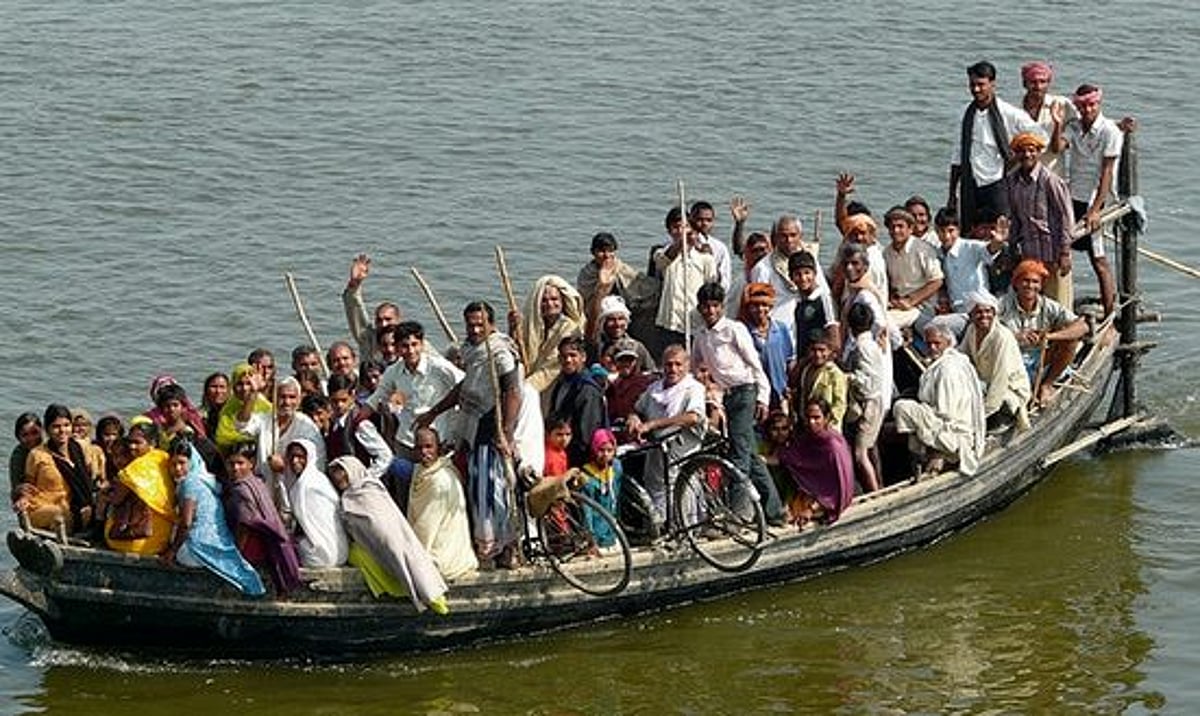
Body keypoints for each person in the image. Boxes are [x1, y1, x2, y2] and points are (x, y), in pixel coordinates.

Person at [417, 301, 542, 567]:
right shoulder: (473, 351)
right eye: (470, 324)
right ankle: (492, 547)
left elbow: (513, 392)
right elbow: (467, 386)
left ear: (491, 325)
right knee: (479, 490)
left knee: (493, 492)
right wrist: (434, 412)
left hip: (491, 429)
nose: (474, 329)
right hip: (475, 429)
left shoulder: (499, 352)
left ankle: (502, 549)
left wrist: (505, 432)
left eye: (480, 324)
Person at [692, 281, 785, 526]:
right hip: (726, 397)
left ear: (722, 307)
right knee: (750, 455)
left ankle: (738, 514)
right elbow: (695, 369)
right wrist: (707, 390)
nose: (710, 311)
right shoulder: (701, 336)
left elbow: (755, 366)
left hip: (745, 392)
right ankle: (775, 511)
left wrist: (763, 398)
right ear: (700, 309)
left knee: (739, 457)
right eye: (705, 307)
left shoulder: (734, 329)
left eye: (714, 306)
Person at [328, 455, 449, 614]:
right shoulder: (357, 494)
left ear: (352, 470)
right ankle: (424, 593)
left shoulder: (369, 489)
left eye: (342, 472)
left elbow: (382, 520)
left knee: (407, 556)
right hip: (375, 542)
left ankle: (430, 595)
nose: (339, 478)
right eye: (335, 475)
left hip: (392, 536)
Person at [160, 437, 266, 596]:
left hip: (195, 549)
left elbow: (186, 523)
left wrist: (172, 552)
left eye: (182, 463)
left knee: (175, 545)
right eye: (173, 464)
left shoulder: (190, 482)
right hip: (219, 543)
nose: (177, 469)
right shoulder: (205, 479)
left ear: (193, 461)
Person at [948, 60, 1044, 232]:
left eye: (981, 85)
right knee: (971, 232)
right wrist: (952, 195)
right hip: (971, 184)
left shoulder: (1008, 113)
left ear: (992, 84)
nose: (976, 89)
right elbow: (957, 155)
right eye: (972, 85)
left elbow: (1039, 135)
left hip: (998, 183)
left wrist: (1020, 157)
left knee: (1001, 233)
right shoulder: (965, 113)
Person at [626, 344, 707, 526]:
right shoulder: (654, 388)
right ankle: (664, 528)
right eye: (669, 365)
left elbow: (693, 417)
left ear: (687, 366)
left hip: (681, 447)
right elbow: (637, 409)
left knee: (682, 489)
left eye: (678, 364)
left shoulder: (693, 388)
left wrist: (653, 424)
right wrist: (634, 419)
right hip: (657, 448)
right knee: (655, 488)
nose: (673, 369)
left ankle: (687, 529)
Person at [892, 323, 987, 476]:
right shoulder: (951, 361)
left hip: (952, 432)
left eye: (937, 343)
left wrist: (939, 452)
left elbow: (946, 414)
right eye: (929, 344)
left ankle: (930, 455)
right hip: (948, 425)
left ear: (948, 343)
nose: (932, 348)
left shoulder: (947, 369)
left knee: (902, 407)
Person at [1061, 83, 1120, 315]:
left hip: (1096, 197)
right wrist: (1057, 124)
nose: (1088, 110)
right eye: (1083, 106)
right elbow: (1058, 146)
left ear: (1099, 104)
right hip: (1073, 193)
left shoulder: (1109, 132)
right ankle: (1063, 304)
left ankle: (1109, 313)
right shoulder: (1074, 127)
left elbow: (1106, 172)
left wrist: (1095, 209)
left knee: (1098, 258)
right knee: (1063, 251)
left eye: (1092, 105)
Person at [998, 259, 1088, 406]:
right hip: (1012, 360)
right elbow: (987, 330)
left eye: (1035, 282)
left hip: (1040, 357)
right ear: (1016, 283)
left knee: (1071, 340)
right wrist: (1014, 337)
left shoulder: (1047, 305)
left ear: (1040, 285)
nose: (1030, 286)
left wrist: (1050, 336)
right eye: (1025, 281)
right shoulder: (1003, 304)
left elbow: (1082, 326)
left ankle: (1047, 384)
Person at [367, 321, 465, 451]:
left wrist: (436, 413)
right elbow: (377, 397)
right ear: (397, 348)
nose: (411, 351)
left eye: (414, 344)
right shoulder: (393, 371)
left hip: (437, 442)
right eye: (405, 346)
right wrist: (356, 420)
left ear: (422, 344)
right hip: (406, 441)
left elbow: (465, 385)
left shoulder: (439, 367)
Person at [223, 441, 303, 595]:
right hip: (270, 541)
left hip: (255, 546)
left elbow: (245, 526)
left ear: (251, 463)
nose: (235, 468)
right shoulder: (257, 482)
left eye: (240, 463)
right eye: (231, 463)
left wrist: (236, 555)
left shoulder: (242, 489)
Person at [1006, 131, 1075, 308]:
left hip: (1053, 251)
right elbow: (1015, 217)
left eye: (1032, 150)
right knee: (1034, 299)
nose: (1027, 155)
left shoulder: (1050, 180)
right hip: (1030, 252)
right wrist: (1013, 247)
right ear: (1016, 153)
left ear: (1038, 152)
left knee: (1058, 300)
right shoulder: (1012, 180)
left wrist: (1065, 252)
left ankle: (1063, 335)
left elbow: (1065, 217)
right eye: (1022, 151)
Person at [408, 427, 477, 580]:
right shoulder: (420, 471)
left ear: (438, 448)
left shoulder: (441, 481)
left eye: (428, 447)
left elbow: (426, 526)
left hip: (444, 554)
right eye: (419, 448)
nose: (424, 452)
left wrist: (412, 553)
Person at [778, 397, 856, 527]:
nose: (811, 422)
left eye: (816, 418)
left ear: (826, 418)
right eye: (808, 417)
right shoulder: (808, 438)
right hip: (809, 495)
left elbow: (836, 487)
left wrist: (812, 509)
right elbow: (792, 456)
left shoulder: (833, 446)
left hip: (828, 502)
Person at [960, 291, 1032, 432]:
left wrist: (984, 413)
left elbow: (1001, 378)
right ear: (972, 315)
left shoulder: (1002, 337)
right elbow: (962, 356)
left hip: (1009, 388)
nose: (984, 316)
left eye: (988, 311)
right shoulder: (972, 330)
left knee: (1003, 401)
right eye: (978, 312)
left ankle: (1003, 419)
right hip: (984, 383)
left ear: (994, 313)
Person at [19, 404, 96, 533]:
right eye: (56, 427)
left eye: (66, 425)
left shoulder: (81, 448)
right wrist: (22, 499)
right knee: (59, 514)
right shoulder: (37, 455)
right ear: (47, 430)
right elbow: (28, 487)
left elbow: (91, 477)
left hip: (75, 507)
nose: (62, 431)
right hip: (44, 508)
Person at [104, 418, 175, 555]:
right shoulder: (164, 457)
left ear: (152, 443)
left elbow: (116, 500)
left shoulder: (133, 469)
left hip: (137, 544)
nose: (132, 447)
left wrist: (104, 495)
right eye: (130, 442)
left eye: (137, 443)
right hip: (163, 538)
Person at [576, 231, 659, 347]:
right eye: (601, 251)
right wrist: (602, 284)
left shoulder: (622, 269)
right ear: (593, 252)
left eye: (610, 251)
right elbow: (583, 300)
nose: (606, 255)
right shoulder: (587, 274)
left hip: (623, 317)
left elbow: (640, 286)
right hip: (595, 319)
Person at [652, 206, 718, 350]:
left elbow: (711, 289)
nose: (683, 232)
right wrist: (680, 243)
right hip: (670, 322)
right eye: (676, 228)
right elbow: (663, 262)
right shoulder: (662, 253)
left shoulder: (705, 259)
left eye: (687, 228)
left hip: (695, 321)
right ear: (670, 231)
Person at [509, 275, 586, 396]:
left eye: (554, 299)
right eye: (544, 300)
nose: (550, 304)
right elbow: (518, 354)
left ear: (562, 301)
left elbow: (553, 366)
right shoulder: (533, 327)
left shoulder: (570, 329)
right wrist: (513, 330)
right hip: (529, 383)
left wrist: (525, 388)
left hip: (553, 387)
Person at [933, 206, 1003, 332]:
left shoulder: (970, 247)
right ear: (936, 231)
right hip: (958, 312)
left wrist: (998, 241)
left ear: (958, 230)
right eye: (941, 231)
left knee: (935, 325)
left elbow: (989, 249)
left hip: (980, 310)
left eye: (951, 231)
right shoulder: (939, 254)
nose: (946, 236)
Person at [284, 438, 348, 568]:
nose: (295, 461)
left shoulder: (307, 483)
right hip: (341, 553)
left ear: (310, 457)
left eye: (300, 456)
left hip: (320, 556)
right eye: (291, 457)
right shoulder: (319, 479)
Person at [841, 303, 885, 493]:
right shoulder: (872, 344)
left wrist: (847, 376)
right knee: (870, 446)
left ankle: (874, 492)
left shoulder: (861, 347)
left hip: (869, 403)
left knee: (860, 453)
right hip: (874, 400)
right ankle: (879, 484)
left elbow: (867, 380)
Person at [547, 336, 607, 468]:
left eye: (573, 355)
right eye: (563, 356)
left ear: (583, 357)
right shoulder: (561, 384)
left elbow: (586, 435)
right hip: (560, 455)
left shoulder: (587, 389)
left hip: (580, 462)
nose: (568, 360)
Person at [882, 206, 944, 330]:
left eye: (900, 226)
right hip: (899, 306)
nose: (895, 230)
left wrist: (911, 300)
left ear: (910, 229)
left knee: (884, 322)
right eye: (892, 227)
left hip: (921, 308)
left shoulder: (923, 249)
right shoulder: (886, 253)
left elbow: (937, 281)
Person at [739, 282, 794, 410]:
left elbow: (789, 360)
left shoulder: (780, 329)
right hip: (756, 392)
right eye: (755, 306)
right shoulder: (743, 331)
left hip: (780, 390)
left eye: (764, 305)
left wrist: (790, 386)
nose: (760, 309)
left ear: (770, 306)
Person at [343, 253, 403, 361]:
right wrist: (355, 284)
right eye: (379, 320)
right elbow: (354, 309)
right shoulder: (368, 339)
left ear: (398, 320)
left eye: (388, 319)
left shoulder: (411, 342)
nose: (383, 324)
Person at [1018, 61, 1072, 177]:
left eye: (1043, 82)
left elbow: (1084, 122)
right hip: (1023, 177)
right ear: (1024, 84)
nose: (1038, 87)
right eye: (1033, 82)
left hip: (1053, 175)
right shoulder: (1016, 111)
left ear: (1049, 83)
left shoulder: (1061, 104)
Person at [789, 250, 841, 360]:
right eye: (798, 274)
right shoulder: (798, 302)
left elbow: (834, 336)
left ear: (815, 273)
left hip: (820, 360)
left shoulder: (824, 298)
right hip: (805, 360)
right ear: (791, 277)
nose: (803, 278)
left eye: (807, 273)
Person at [576, 427, 622, 548]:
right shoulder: (587, 477)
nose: (605, 455)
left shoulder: (616, 468)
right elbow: (587, 511)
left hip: (612, 529)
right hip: (596, 531)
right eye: (601, 450)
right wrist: (590, 537)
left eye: (610, 450)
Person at [793, 339, 847, 432]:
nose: (818, 354)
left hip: (828, 427)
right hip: (808, 424)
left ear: (829, 351)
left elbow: (840, 403)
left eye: (822, 350)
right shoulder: (806, 370)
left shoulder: (834, 373)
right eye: (814, 350)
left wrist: (830, 422)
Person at [591, 295, 656, 371]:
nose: (617, 324)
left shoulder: (637, 347)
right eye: (611, 319)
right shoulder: (595, 347)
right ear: (603, 323)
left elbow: (653, 374)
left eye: (621, 319)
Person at [604, 340, 657, 430]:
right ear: (615, 362)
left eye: (629, 360)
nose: (625, 364)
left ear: (635, 362)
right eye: (621, 360)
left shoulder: (646, 384)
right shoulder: (612, 387)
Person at [688, 200, 734, 289]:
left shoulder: (719, 248)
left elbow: (725, 281)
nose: (704, 223)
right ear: (691, 219)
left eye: (708, 220)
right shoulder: (681, 245)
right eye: (700, 219)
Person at [9, 413, 42, 503]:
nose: (31, 438)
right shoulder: (18, 455)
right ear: (18, 437)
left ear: (42, 431)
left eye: (35, 433)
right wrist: (19, 489)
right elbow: (15, 489)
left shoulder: (51, 446)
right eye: (25, 435)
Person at [69, 408, 107, 484]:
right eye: (76, 425)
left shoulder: (96, 448)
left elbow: (102, 471)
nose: (81, 428)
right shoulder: (66, 444)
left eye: (84, 425)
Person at [200, 372, 229, 439]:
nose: (218, 391)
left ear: (228, 390)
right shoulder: (200, 415)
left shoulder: (233, 413)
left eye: (222, 387)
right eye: (214, 387)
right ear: (206, 390)